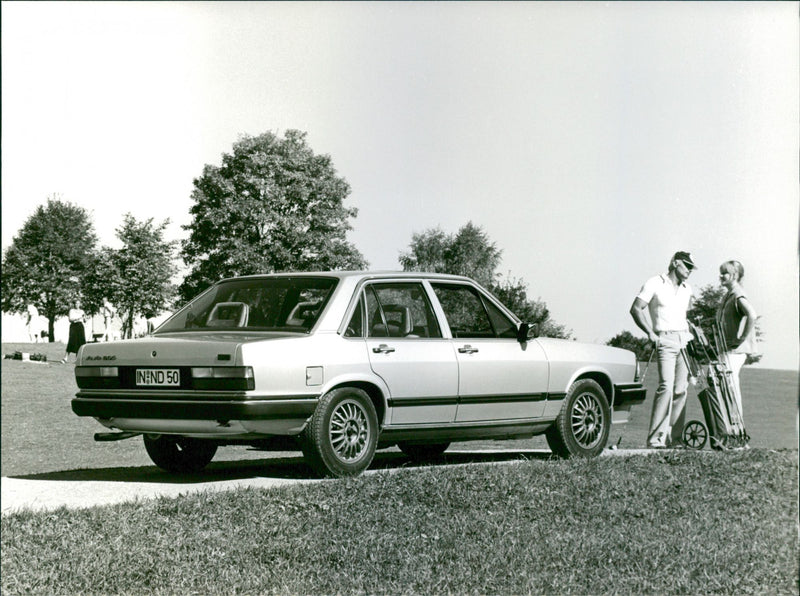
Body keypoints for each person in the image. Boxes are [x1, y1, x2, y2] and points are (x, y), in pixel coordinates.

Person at [630, 251, 696, 449]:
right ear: (675, 263)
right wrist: (650, 333)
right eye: (687, 265)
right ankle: (655, 439)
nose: (689, 270)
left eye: (692, 267)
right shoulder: (655, 283)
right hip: (664, 339)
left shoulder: (687, 289)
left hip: (684, 340)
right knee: (666, 387)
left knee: (680, 390)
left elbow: (687, 316)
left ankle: (675, 440)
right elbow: (636, 308)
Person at [716, 260, 758, 436]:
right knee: (726, 387)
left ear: (733, 275)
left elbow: (752, 315)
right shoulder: (728, 295)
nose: (720, 276)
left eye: (724, 273)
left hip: (735, 351)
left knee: (731, 387)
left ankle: (738, 432)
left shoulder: (738, 294)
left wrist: (741, 338)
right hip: (726, 350)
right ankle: (731, 430)